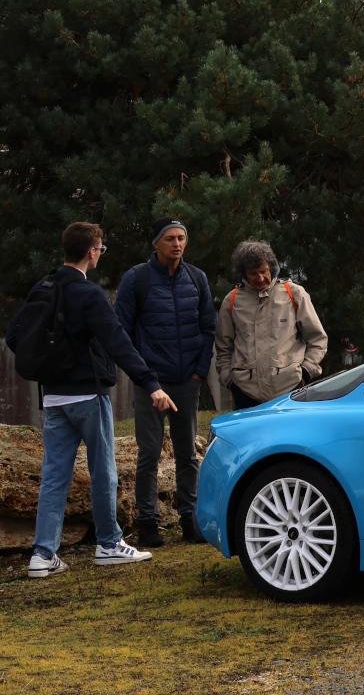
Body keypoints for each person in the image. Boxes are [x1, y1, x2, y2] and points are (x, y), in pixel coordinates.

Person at [5, 222, 176, 578]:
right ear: (92, 252)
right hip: (87, 395)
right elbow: (118, 343)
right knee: (104, 473)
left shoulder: (44, 286)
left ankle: (42, 554)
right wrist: (151, 384)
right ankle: (110, 543)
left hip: (52, 399)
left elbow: (15, 336)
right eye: (101, 248)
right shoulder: (89, 295)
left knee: (54, 477)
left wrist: (54, 365)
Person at [115, 218, 216, 547]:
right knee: (149, 454)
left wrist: (199, 372)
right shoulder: (137, 279)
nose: (177, 244)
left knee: (188, 454)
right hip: (150, 382)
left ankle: (191, 519)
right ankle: (148, 523)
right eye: (170, 238)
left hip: (187, 381)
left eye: (182, 238)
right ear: (156, 243)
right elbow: (122, 333)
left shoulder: (197, 278)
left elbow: (208, 328)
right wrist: (144, 378)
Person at [215, 240, 329, 410]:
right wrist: (229, 380)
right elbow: (223, 347)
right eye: (253, 273)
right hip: (245, 390)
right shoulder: (231, 301)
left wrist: (306, 371)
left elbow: (318, 339)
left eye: (264, 271)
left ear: (271, 268)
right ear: (243, 274)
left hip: (290, 388)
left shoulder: (294, 294)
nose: (260, 278)